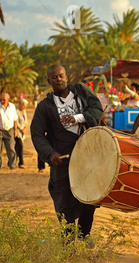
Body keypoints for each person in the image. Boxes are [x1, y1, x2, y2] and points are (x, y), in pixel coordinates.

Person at [30, 64, 103, 240]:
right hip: (62, 158)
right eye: (54, 77)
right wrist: (49, 153)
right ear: (49, 80)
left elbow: (96, 108)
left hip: (88, 155)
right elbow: (37, 133)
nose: (58, 79)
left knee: (89, 197)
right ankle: (68, 241)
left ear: (66, 77)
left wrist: (78, 118)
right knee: (63, 199)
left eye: (61, 76)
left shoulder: (80, 91)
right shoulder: (45, 106)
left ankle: (84, 237)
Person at [0, 93, 18, 169]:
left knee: (11, 148)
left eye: (4, 99)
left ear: (8, 100)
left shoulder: (12, 107)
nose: (2, 101)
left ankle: (12, 164)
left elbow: (15, 119)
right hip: (0, 130)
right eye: (1, 99)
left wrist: (15, 131)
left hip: (9, 129)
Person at [15, 98, 29, 169]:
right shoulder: (16, 111)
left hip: (23, 132)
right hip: (17, 132)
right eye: (24, 105)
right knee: (20, 146)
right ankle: (21, 163)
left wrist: (25, 128)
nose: (25, 107)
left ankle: (14, 161)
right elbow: (16, 122)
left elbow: (26, 121)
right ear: (20, 105)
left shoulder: (24, 111)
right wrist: (21, 128)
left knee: (17, 148)